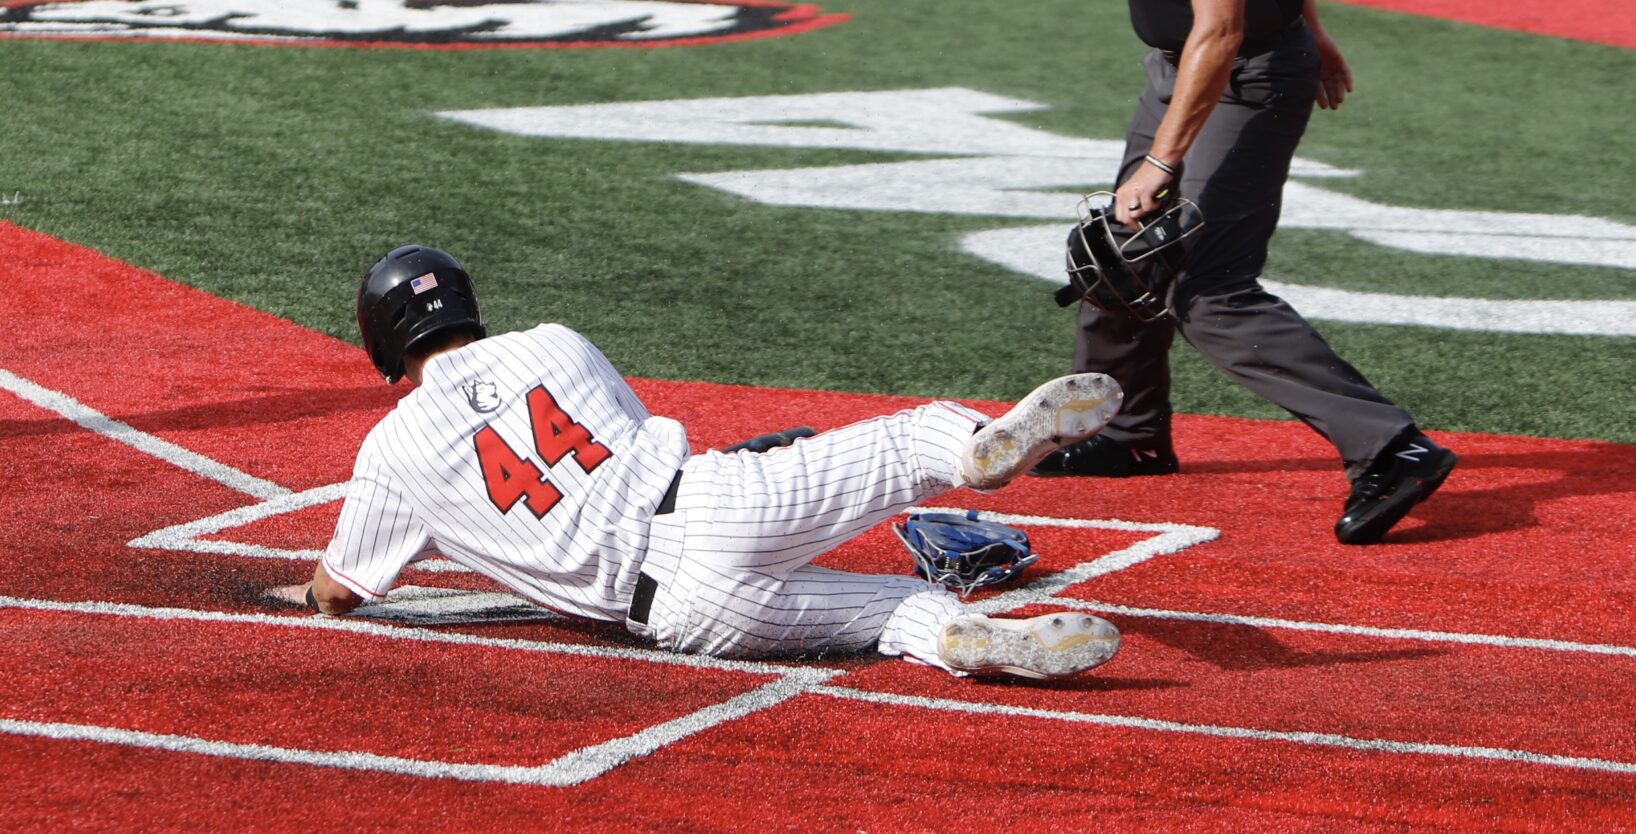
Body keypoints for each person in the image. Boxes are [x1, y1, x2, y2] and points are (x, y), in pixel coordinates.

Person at [283, 246, 1126, 679]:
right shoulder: (553, 342)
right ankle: (974, 449)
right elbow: (622, 436)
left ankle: (957, 635)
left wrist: (312, 590)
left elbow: (340, 590)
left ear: (383, 340)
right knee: (914, 440)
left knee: (891, 614)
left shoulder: (394, 449)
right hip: (717, 497)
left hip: (688, 613)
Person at [1044, 0, 1456, 545]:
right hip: (1195, 63)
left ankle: (1392, 446)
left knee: (1203, 281)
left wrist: (1161, 163)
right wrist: (1319, 27)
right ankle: (1128, 433)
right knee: (1119, 254)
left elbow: (1222, 29)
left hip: (1241, 76)